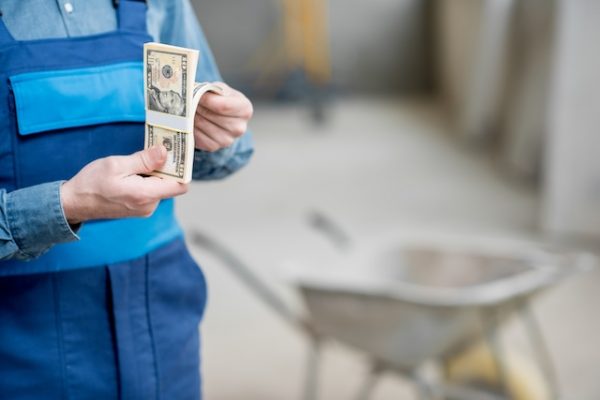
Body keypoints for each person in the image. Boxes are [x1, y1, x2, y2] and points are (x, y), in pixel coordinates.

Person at [0, 1, 254, 399]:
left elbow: (228, 152)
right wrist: (65, 205)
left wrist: (218, 129)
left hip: (163, 324)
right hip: (20, 345)